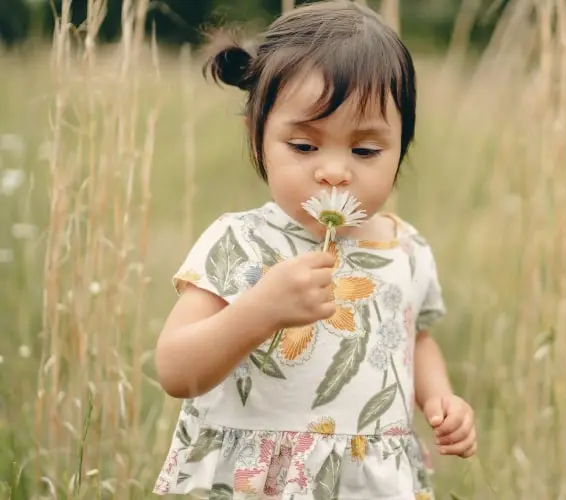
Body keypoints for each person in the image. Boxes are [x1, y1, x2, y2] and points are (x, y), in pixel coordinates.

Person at [151, 2, 476, 498]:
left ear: (401, 147)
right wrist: (259, 311)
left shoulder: (405, 247)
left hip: (370, 481)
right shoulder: (240, 241)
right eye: (304, 146)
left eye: (365, 150)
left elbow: (418, 337)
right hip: (264, 481)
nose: (334, 171)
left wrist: (441, 399)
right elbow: (175, 369)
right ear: (257, 138)